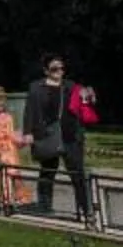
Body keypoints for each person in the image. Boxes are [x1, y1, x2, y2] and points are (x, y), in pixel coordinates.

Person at [23, 54, 94, 220]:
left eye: (61, 68)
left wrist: (88, 96)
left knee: (77, 173)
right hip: (46, 135)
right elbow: (30, 111)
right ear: (46, 70)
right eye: (54, 69)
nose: (59, 72)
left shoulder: (71, 86)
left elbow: (86, 101)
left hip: (70, 135)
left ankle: (87, 211)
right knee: (47, 172)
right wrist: (28, 132)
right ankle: (45, 207)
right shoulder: (35, 87)